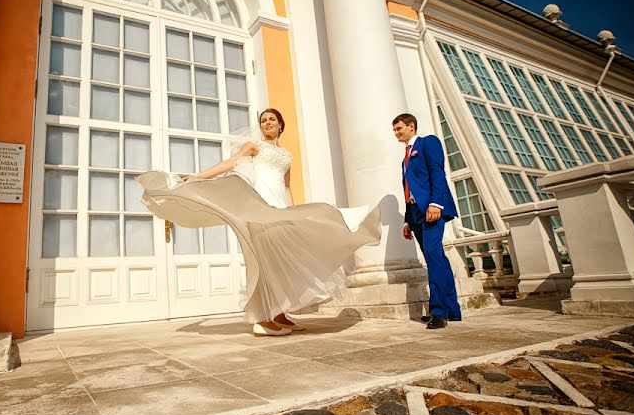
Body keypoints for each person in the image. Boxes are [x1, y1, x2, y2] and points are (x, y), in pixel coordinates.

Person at [137, 108, 382, 336]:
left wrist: (292, 211)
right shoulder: (255, 146)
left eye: (271, 119)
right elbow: (229, 164)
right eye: (263, 120)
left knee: (282, 262)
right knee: (266, 260)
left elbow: (286, 185)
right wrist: (199, 176)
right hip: (260, 205)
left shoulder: (287, 154)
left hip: (280, 206)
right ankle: (261, 317)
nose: (267, 123)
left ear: (280, 126)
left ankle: (280, 312)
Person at [393, 113, 461, 329]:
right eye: (394, 130)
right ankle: (452, 309)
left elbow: (436, 173)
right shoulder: (404, 158)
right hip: (414, 213)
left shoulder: (427, 143)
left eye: (399, 128)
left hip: (431, 209)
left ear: (411, 126)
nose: (396, 133)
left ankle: (439, 312)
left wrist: (436, 204)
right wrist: (406, 220)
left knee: (433, 258)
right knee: (437, 257)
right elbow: (408, 190)